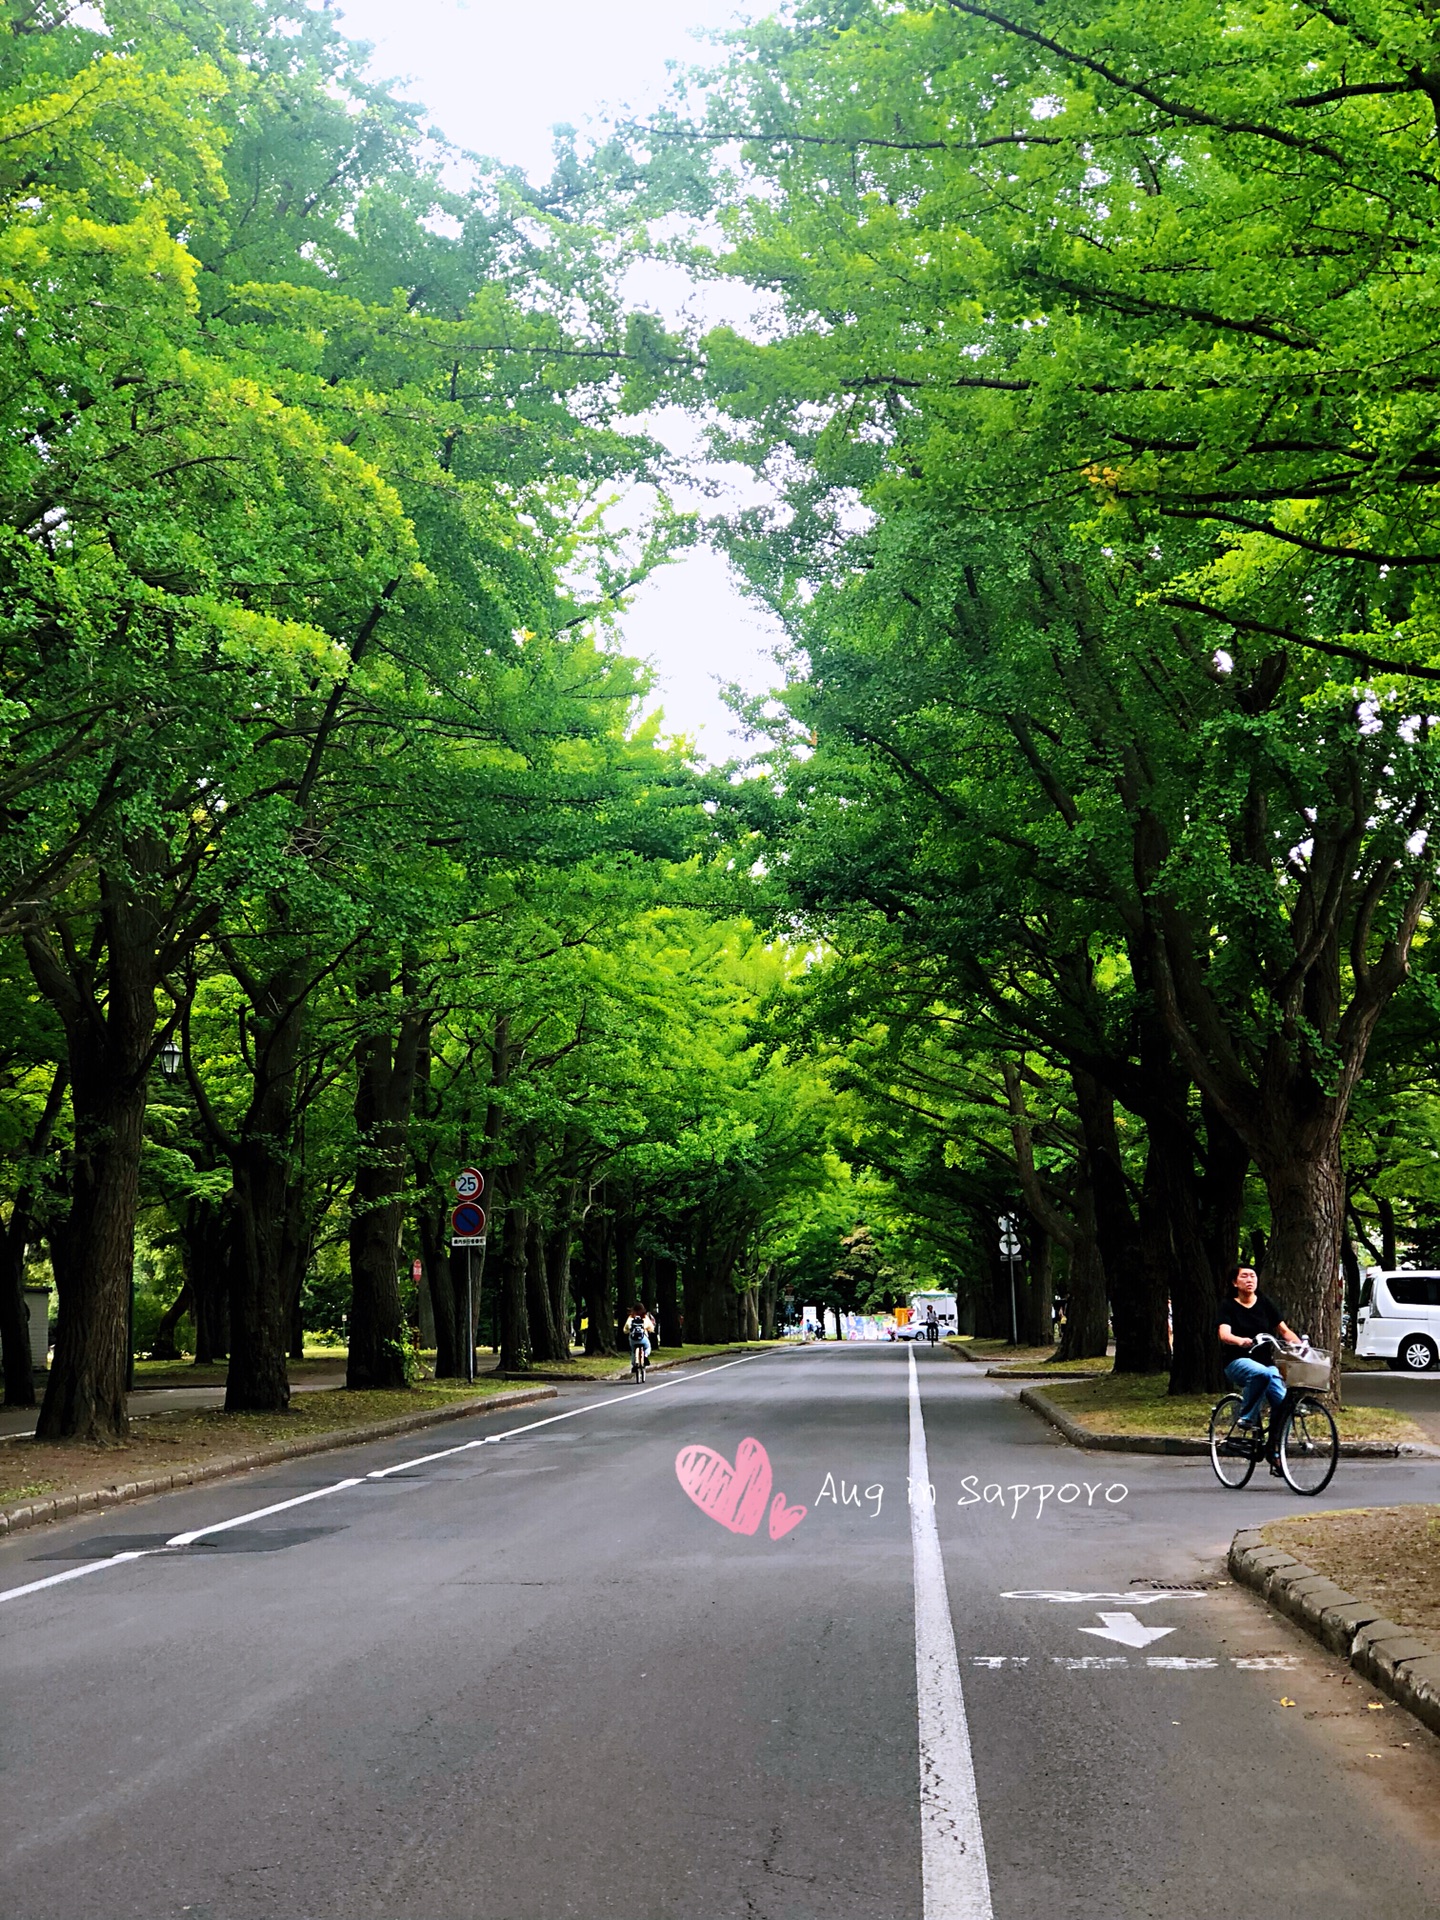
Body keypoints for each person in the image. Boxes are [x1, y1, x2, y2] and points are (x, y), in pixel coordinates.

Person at [1218, 1266, 1299, 1473]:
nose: (1249, 1280)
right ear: (1235, 1283)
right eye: (1244, 1276)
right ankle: (1246, 1416)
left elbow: (1284, 1330)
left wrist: (1301, 1347)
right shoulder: (1228, 1306)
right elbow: (1224, 1334)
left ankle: (1274, 1450)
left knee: (1285, 1404)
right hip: (1237, 1361)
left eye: (1252, 1276)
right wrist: (1240, 1341)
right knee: (1260, 1373)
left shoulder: (1264, 1303)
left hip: (1266, 1363)